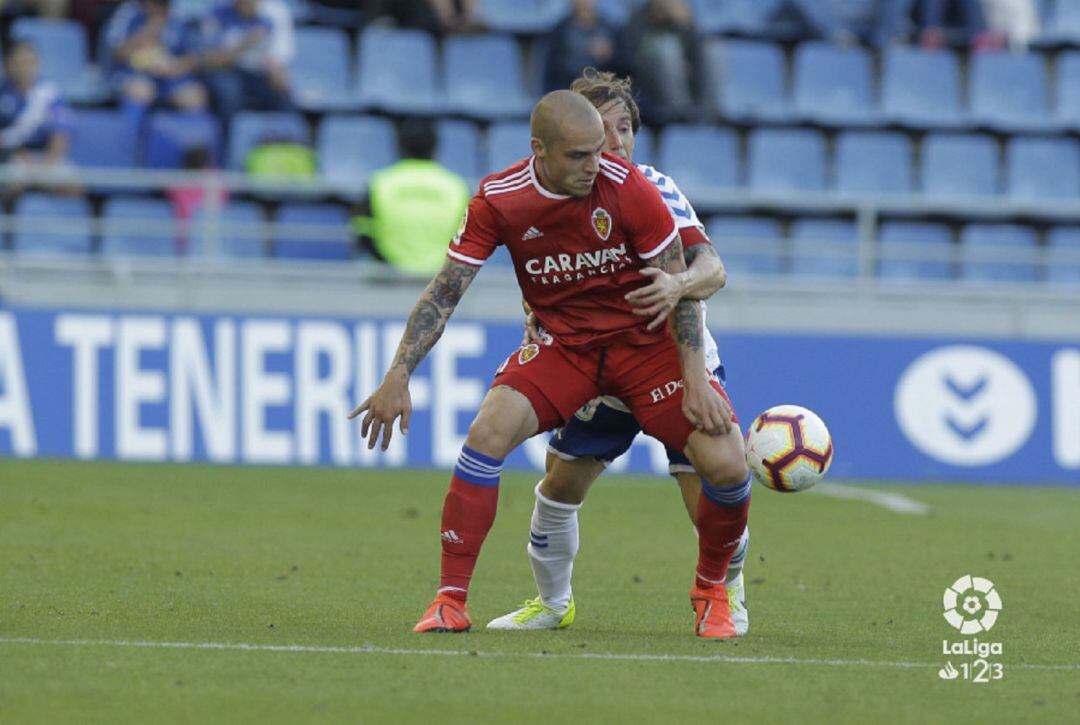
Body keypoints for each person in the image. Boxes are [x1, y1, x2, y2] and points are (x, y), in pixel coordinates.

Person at [351, 90, 752, 639]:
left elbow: (679, 288)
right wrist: (397, 375)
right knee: (487, 432)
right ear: (539, 150)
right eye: (580, 156)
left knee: (728, 464)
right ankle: (450, 600)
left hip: (647, 351)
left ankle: (713, 593)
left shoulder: (632, 187)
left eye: (601, 150)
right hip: (569, 349)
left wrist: (694, 379)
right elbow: (445, 292)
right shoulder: (499, 198)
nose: (598, 164)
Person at [485, 69, 750, 635]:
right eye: (602, 130)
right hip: (595, 366)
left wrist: (677, 285)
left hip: (669, 358)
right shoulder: (557, 194)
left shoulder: (652, 186)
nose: (616, 142)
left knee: (702, 481)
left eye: (624, 127)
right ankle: (553, 603)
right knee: (560, 482)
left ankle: (726, 595)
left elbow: (712, 269)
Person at [354, 118, 470, 276]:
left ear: (398, 147)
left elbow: (363, 233)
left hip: (389, 280)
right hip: (440, 281)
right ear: (436, 148)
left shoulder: (379, 183)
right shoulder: (457, 186)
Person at [103, 0, 208, 126]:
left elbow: (195, 57)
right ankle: (128, 141)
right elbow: (118, 52)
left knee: (194, 97)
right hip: (134, 72)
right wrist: (149, 31)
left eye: (163, 5)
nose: (159, 9)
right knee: (140, 91)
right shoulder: (128, 12)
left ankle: (187, 143)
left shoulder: (181, 14)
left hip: (172, 73)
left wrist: (175, 66)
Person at [199, 0, 294, 122]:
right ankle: (229, 139)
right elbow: (210, 61)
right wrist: (244, 45)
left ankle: (290, 137)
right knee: (230, 94)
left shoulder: (275, 11)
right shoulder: (217, 12)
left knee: (283, 96)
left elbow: (278, 56)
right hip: (226, 70)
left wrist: (277, 72)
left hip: (259, 71)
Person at [0, 40, 74, 170]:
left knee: (72, 187)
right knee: (12, 183)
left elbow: (61, 132)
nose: (26, 68)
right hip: (9, 155)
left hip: (46, 155)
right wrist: (18, 154)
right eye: (21, 63)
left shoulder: (50, 92)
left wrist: (47, 166)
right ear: (9, 65)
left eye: (31, 62)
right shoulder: (3, 92)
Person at [543, 0, 618, 92]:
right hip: (570, 93)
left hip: (604, 92)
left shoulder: (611, 30)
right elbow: (552, 76)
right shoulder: (559, 32)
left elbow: (624, 72)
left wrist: (609, 55)